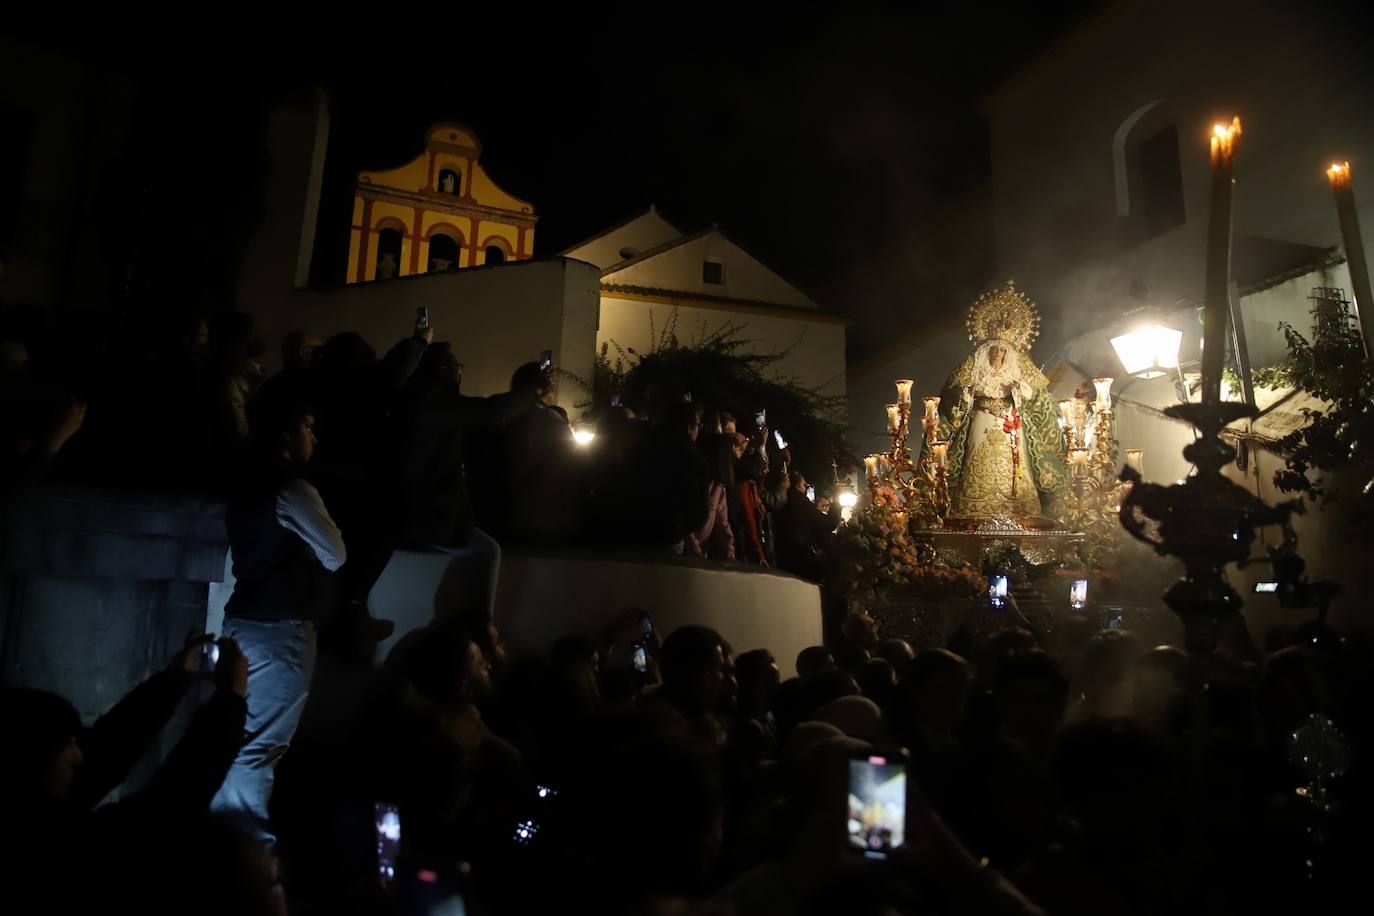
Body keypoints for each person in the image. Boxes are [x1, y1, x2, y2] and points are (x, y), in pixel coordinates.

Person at [0, 635, 249, 895]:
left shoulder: (39, 814)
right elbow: (163, 811)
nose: (78, 755)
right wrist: (229, 703)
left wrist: (174, 680)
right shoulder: (58, 852)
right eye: (66, 744)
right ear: (30, 763)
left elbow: (108, 748)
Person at [212, 391, 346, 845]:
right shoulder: (291, 490)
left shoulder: (245, 483)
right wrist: (307, 550)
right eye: (307, 426)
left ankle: (230, 848)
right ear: (285, 435)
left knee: (236, 739)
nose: (314, 436)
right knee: (260, 746)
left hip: (246, 620)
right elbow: (335, 554)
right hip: (280, 629)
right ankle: (245, 855)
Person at [688, 435, 737, 559]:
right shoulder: (692, 481)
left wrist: (729, 555)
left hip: (700, 557)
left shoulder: (719, 488)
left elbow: (722, 525)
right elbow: (684, 523)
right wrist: (693, 551)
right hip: (683, 558)